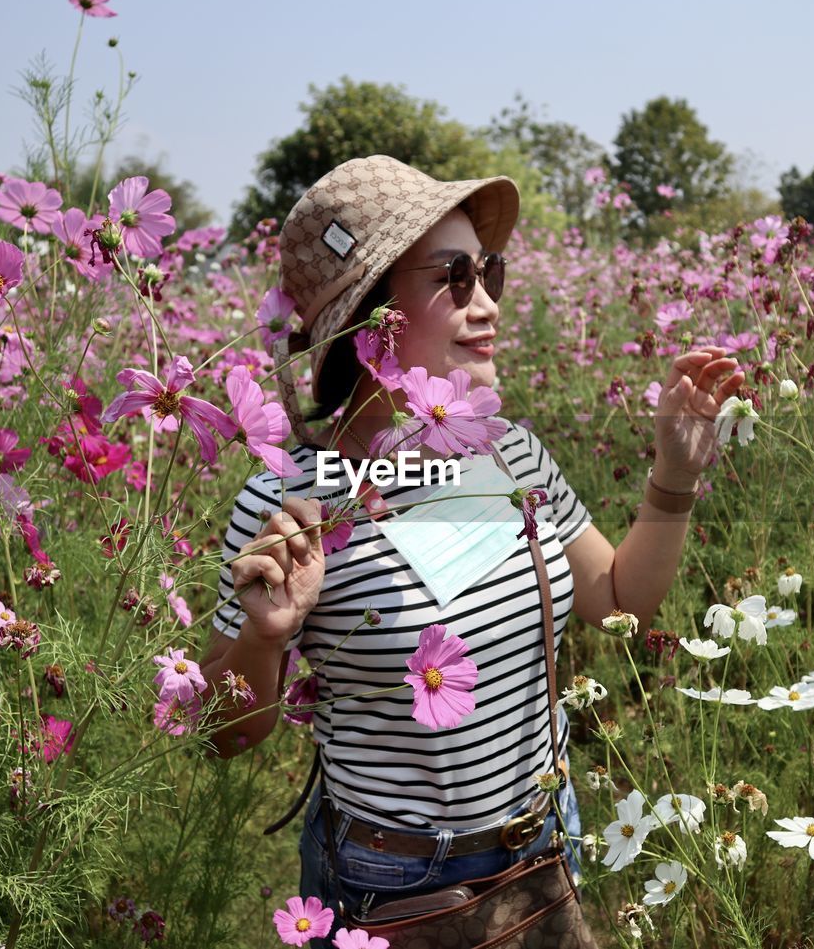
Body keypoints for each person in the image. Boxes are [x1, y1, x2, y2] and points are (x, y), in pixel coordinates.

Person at [198, 155, 744, 941]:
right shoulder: (294, 499)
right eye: (454, 277)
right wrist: (264, 634)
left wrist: (674, 473)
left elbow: (618, 598)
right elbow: (228, 732)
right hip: (397, 887)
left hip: (545, 854)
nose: (485, 303)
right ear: (369, 318)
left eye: (490, 272)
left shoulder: (511, 456)